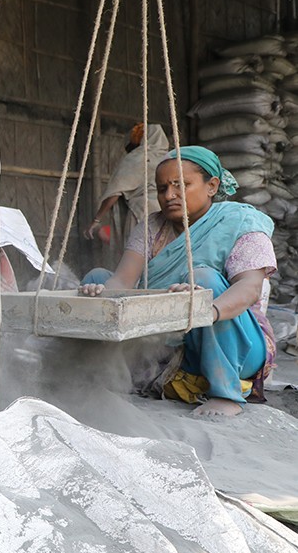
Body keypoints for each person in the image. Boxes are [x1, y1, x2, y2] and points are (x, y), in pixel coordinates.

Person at [80, 146, 276, 418]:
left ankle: (225, 393)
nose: (169, 195)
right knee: (97, 277)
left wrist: (205, 311)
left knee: (204, 278)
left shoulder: (240, 221)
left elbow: (249, 288)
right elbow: (121, 281)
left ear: (212, 186)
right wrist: (100, 292)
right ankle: (93, 374)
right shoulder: (152, 226)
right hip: (173, 346)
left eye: (181, 185)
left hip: (237, 344)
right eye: (162, 189)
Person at [83, 123, 168, 243]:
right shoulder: (170, 159)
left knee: (137, 254)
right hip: (167, 215)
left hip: (142, 212)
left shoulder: (138, 157)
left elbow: (116, 191)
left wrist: (96, 220)